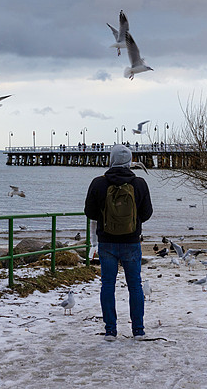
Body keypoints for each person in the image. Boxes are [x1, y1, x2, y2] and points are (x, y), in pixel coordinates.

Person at [84, 144, 153, 341]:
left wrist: (107, 219)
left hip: (106, 242)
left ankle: (110, 330)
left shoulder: (98, 183)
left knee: (108, 285)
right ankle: (138, 330)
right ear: (129, 161)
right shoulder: (140, 183)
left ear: (111, 159)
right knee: (135, 285)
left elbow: (89, 213)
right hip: (131, 241)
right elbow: (147, 213)